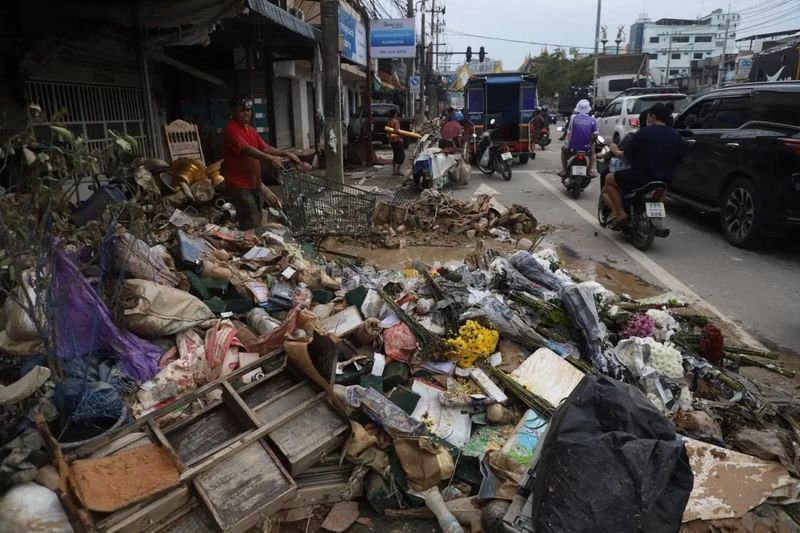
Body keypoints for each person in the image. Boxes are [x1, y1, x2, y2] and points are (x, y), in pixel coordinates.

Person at [223, 96, 301, 230]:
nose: (246, 113)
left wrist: (285, 153)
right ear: (234, 112)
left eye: (248, 110)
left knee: (258, 219)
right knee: (250, 223)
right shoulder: (231, 129)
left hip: (255, 182)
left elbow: (265, 147)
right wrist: (270, 159)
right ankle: (251, 248)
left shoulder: (251, 130)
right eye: (241, 110)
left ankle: (255, 246)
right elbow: (247, 149)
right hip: (240, 184)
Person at [601, 102, 683, 227]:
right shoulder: (676, 135)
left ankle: (620, 212)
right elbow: (678, 158)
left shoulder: (644, 133)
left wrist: (614, 150)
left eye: (649, 115)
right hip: (665, 179)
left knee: (609, 179)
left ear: (653, 116)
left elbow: (626, 155)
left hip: (641, 178)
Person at [559, 99, 598, 178]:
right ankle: (590, 171)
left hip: (573, 147)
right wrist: (590, 144)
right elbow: (595, 136)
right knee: (592, 154)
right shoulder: (593, 120)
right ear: (588, 109)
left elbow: (569, 130)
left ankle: (564, 170)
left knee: (563, 150)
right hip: (586, 149)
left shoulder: (573, 117)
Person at [388, 109, 405, 176]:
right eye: (396, 113)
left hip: (392, 141)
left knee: (395, 156)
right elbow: (397, 131)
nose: (397, 114)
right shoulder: (396, 121)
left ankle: (394, 171)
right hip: (397, 140)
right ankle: (398, 170)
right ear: (394, 114)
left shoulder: (389, 121)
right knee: (402, 156)